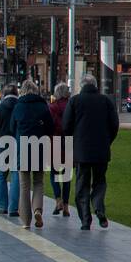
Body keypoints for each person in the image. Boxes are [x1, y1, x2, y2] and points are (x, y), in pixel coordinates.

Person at [62, 73, 120, 231]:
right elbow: (114, 125)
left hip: (81, 151)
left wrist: (73, 143)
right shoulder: (105, 101)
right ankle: (99, 208)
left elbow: (66, 126)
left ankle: (85, 220)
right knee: (100, 182)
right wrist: (107, 141)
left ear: (81, 86)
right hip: (101, 150)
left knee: (82, 185)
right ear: (95, 85)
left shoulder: (74, 101)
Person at [10, 80, 53, 230]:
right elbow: (50, 127)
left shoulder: (18, 106)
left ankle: (26, 221)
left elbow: (11, 127)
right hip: (39, 146)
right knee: (39, 182)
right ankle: (37, 210)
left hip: (23, 147)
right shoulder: (43, 106)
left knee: (24, 186)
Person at [0, 83, 21, 217]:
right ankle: (13, 208)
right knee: (15, 176)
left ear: (5, 94)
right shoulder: (20, 107)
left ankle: (2, 206)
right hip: (18, 144)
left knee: (1, 175)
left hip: (2, 144)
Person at [49, 83, 72, 217]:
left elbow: (49, 125)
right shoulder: (71, 105)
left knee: (54, 173)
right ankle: (67, 207)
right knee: (66, 176)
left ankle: (58, 200)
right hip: (68, 141)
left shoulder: (53, 107)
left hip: (55, 142)